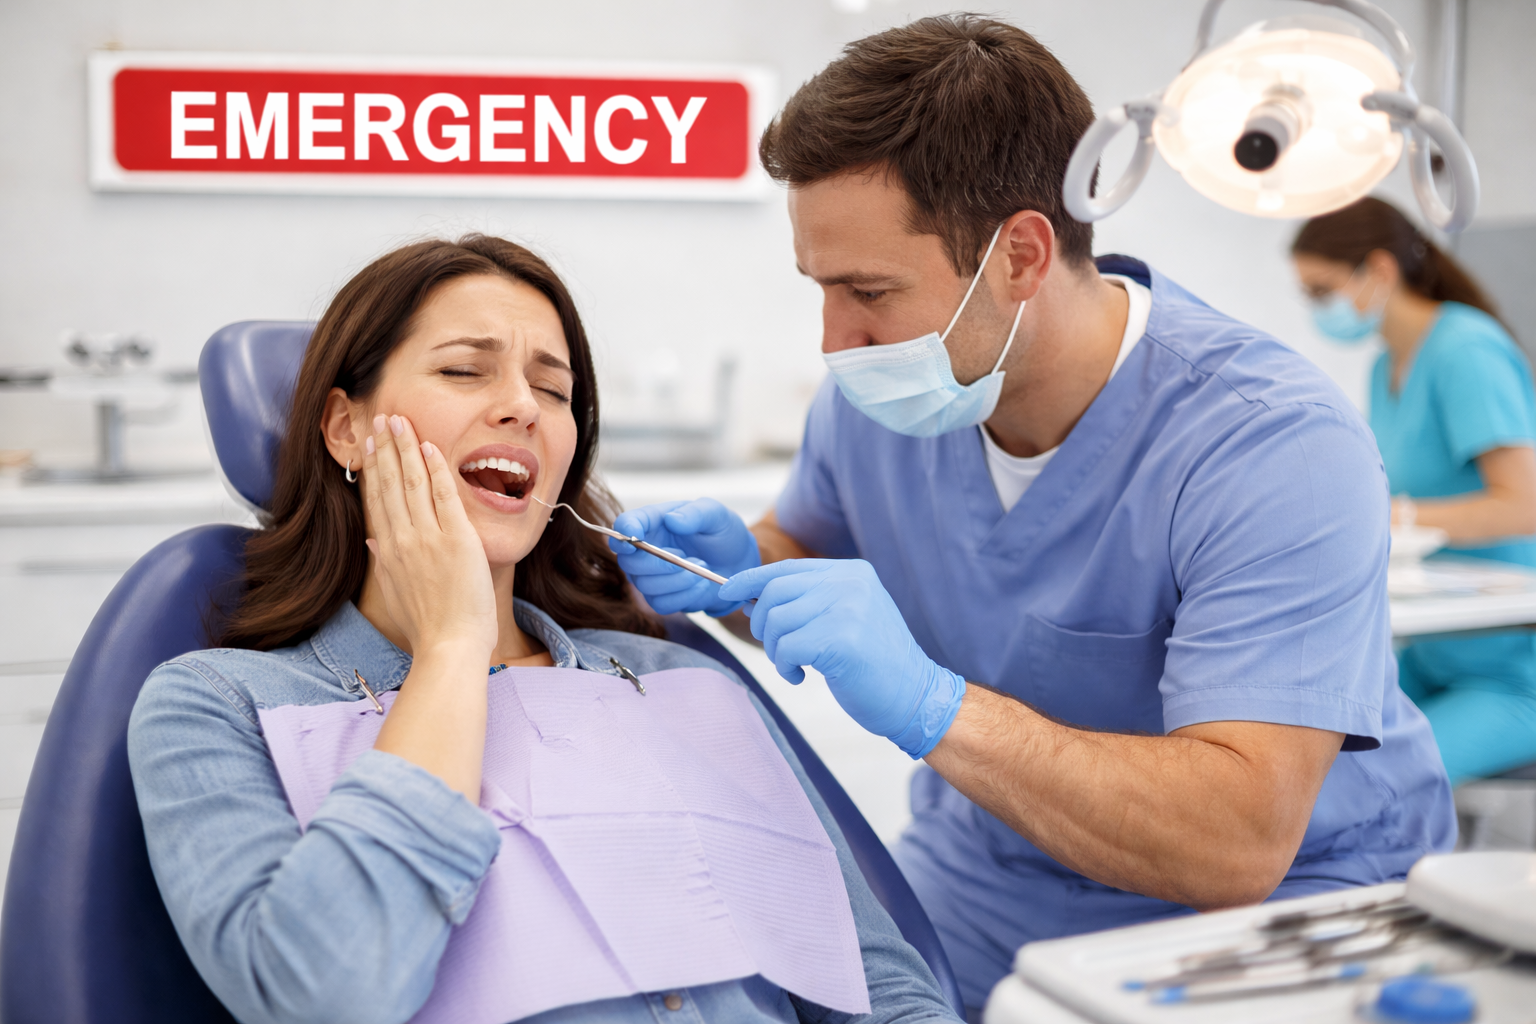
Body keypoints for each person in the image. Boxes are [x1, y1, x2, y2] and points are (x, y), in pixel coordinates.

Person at [610, 16, 1455, 1013]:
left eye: (868, 289)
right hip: (987, 877)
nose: (836, 338)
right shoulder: (872, 401)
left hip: (1271, 910)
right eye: (820, 288)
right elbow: (808, 559)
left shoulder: (1269, 444)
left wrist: (934, 705)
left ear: (1020, 253)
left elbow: (1235, 841)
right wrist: (736, 571)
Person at [127, 235, 961, 1024]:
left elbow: (878, 985)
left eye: (555, 391)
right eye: (463, 370)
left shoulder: (673, 679)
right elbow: (326, 993)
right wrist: (453, 648)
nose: (523, 407)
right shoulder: (215, 706)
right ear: (347, 427)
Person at [1293, 196, 1536, 785]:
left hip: (1509, 672)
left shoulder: (1464, 349)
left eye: (1323, 290)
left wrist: (1393, 518)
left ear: (1379, 270)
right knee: (1308, 760)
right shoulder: (1387, 366)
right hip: (1433, 652)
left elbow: (1524, 505)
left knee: (1368, 786)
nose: (1317, 309)